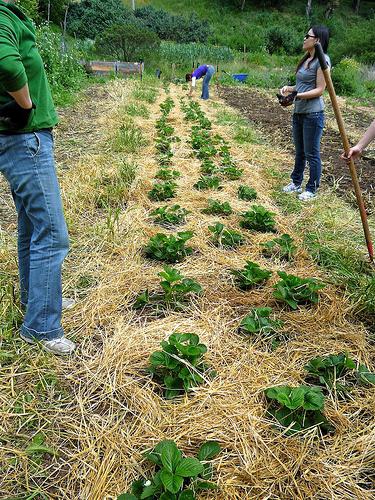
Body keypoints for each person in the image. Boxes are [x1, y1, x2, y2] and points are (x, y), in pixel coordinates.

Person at [0, 0, 76, 355]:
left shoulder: (10, 13)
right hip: (22, 139)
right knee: (52, 233)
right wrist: (25, 104)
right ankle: (42, 328)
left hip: (22, 139)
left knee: (31, 225)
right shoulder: (1, 14)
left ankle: (38, 301)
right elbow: (7, 64)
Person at [278, 25, 331, 201]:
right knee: (300, 151)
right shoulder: (306, 60)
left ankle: (312, 188)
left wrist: (296, 95)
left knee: (312, 153)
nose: (304, 38)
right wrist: (288, 89)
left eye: (307, 35)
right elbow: (301, 86)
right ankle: (296, 182)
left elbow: (320, 90)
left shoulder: (323, 61)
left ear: (317, 40)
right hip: (299, 112)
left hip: (313, 114)